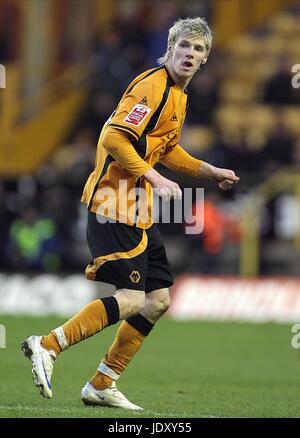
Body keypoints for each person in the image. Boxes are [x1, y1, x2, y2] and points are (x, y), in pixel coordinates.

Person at [21, 17, 239, 411]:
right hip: (112, 204)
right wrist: (154, 178)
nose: (190, 54)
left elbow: (167, 148)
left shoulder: (178, 96)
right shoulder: (151, 86)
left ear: (206, 58)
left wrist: (209, 171)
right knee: (131, 300)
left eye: (199, 49)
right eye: (185, 46)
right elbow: (113, 136)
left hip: (137, 209)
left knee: (157, 301)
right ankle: (47, 345)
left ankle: (103, 382)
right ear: (170, 47)